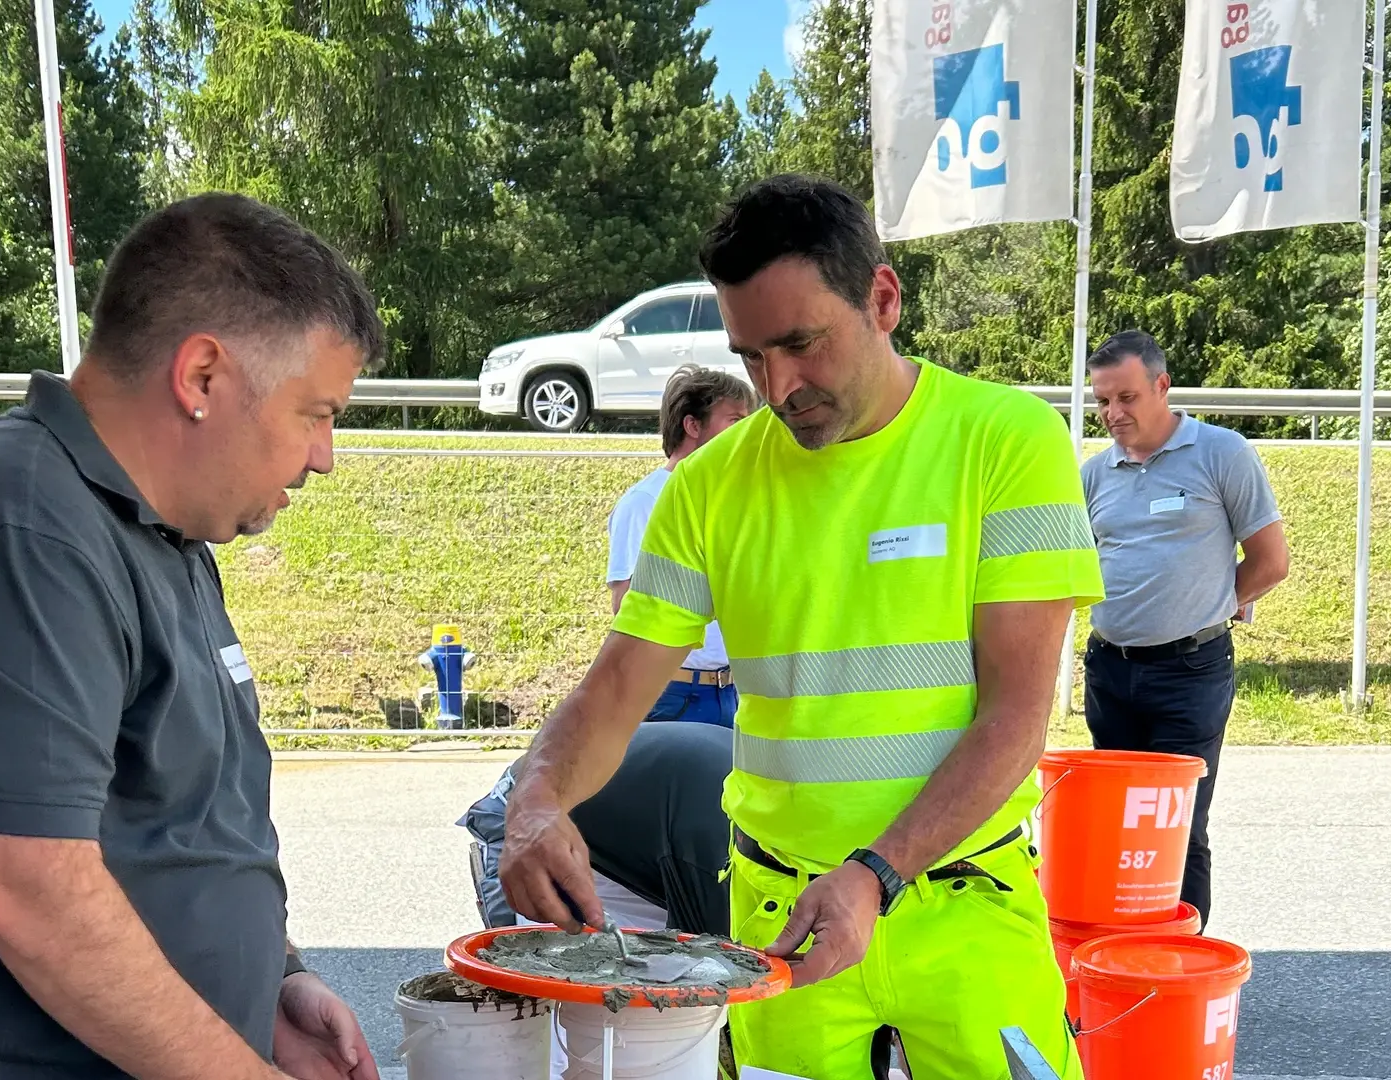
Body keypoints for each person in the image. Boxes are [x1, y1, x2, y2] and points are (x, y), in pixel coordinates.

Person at [498, 174, 1104, 1080]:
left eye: (800, 343)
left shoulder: (1006, 440)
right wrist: (536, 799)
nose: (779, 387)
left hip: (965, 898)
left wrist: (875, 871)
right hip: (781, 919)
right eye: (750, 357)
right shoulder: (706, 485)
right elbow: (616, 690)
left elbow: (1016, 718)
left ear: (884, 299)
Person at [0, 193, 385, 1080]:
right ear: (202, 377)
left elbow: (177, 817)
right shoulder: (14, 528)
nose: (324, 456)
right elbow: (27, 890)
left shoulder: (162, 534)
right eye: (316, 413)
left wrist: (275, 979)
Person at [1080, 329, 1291, 930]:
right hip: (1111, 669)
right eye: (1102, 402)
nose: (1114, 414)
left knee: (1179, 825)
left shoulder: (1222, 454)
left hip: (1189, 672)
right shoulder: (1095, 475)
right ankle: (1120, 959)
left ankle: (1182, 965)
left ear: (1162, 387)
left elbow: (1271, 562)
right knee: (1120, 826)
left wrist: (1214, 603)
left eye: (1126, 398)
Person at [462, 720, 733, 936]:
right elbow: (726, 962)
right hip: (530, 819)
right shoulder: (722, 863)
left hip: (643, 840)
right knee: (567, 981)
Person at [607, 365, 756, 726]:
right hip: (677, 696)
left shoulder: (735, 499)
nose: (748, 434)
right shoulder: (644, 502)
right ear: (692, 426)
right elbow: (626, 605)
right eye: (735, 420)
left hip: (735, 692)